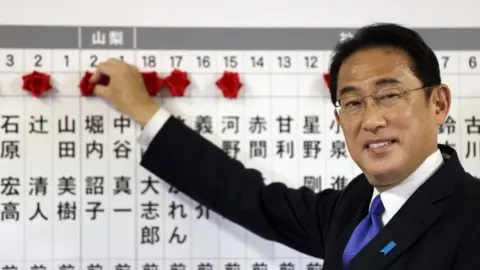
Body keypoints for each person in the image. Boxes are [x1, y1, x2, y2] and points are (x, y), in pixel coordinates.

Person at [89, 23, 480, 270]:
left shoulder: (471, 214)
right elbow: (248, 198)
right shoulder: (353, 206)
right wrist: (142, 109)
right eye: (353, 102)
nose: (371, 119)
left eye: (389, 95)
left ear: (438, 103)